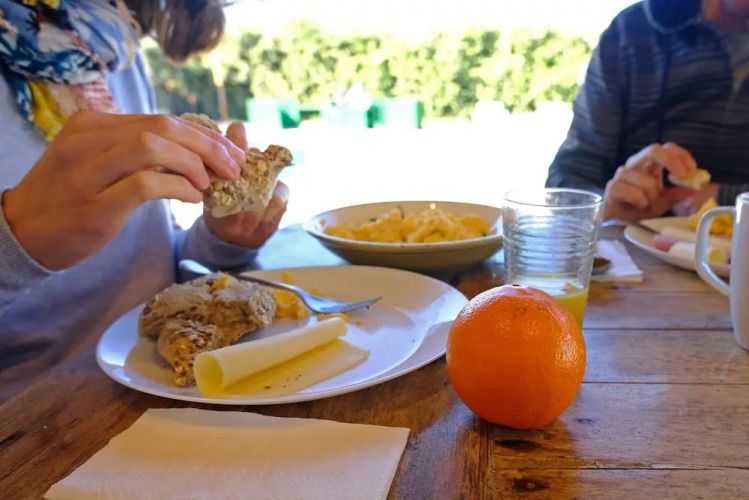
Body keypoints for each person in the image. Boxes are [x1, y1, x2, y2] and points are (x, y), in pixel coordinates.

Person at [0, 0, 288, 393]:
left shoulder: (114, 43)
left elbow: (153, 264)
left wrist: (222, 241)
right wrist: (16, 245)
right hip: (40, 410)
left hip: (173, 382)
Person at [546, 0, 749, 222]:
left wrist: (726, 197)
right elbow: (567, 179)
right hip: (629, 238)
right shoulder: (631, 32)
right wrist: (605, 207)